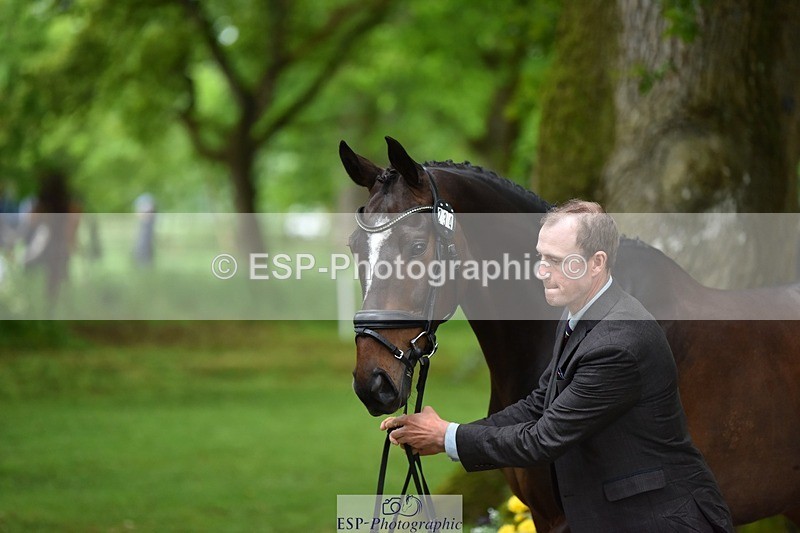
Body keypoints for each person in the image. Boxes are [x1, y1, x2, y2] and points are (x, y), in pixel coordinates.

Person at [380, 200, 734, 532]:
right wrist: (451, 432)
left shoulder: (619, 342)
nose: (542, 271)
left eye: (557, 260)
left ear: (596, 263)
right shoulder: (576, 311)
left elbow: (544, 438)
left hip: (661, 519)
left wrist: (447, 437)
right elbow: (540, 402)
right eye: (540, 258)